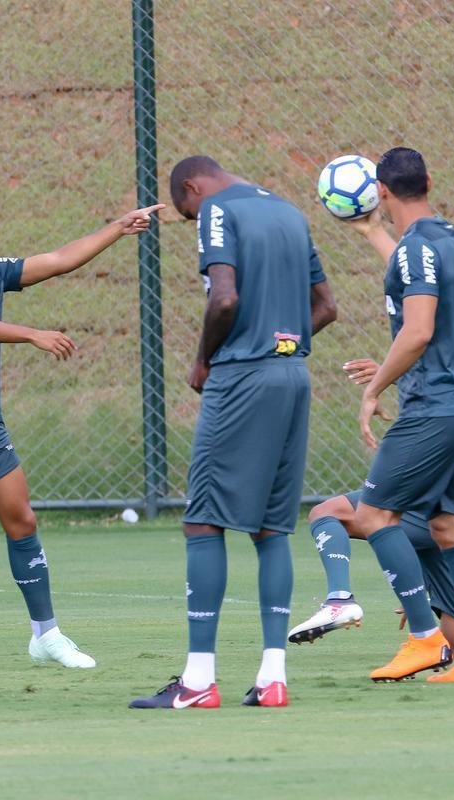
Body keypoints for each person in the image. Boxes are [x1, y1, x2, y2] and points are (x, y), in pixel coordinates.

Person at [0, 192, 163, 676]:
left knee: (22, 521)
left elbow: (61, 260)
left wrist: (118, 226)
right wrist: (32, 334)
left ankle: (47, 636)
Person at [130, 156, 337, 710]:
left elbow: (224, 297)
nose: (193, 218)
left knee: (202, 521)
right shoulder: (290, 212)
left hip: (243, 378)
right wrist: (278, 336)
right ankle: (273, 679)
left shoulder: (218, 209)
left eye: (186, 209)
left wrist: (204, 362)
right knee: (272, 529)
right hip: (293, 376)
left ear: (193, 189)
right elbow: (326, 306)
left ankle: (197, 683)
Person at [341, 147, 454, 683]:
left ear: (382, 192)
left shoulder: (415, 251)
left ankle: (423, 638)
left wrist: (375, 391)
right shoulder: (448, 237)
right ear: (429, 182)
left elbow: (416, 331)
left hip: (432, 405)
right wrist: (372, 233)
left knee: (373, 515)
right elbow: (414, 266)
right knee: (450, 524)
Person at [290, 408, 454, 663]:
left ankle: (339, 599)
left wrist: (382, 383)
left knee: (328, 512)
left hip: (439, 506)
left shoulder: (441, 403)